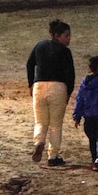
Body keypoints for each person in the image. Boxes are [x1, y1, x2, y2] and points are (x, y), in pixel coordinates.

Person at [26, 19, 76, 167]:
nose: (68, 39)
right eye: (66, 36)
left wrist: (30, 84)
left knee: (40, 121)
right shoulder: (65, 52)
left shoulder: (40, 46)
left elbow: (29, 64)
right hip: (58, 87)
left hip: (39, 86)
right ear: (56, 35)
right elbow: (70, 74)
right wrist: (69, 91)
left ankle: (39, 141)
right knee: (55, 125)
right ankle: (53, 156)